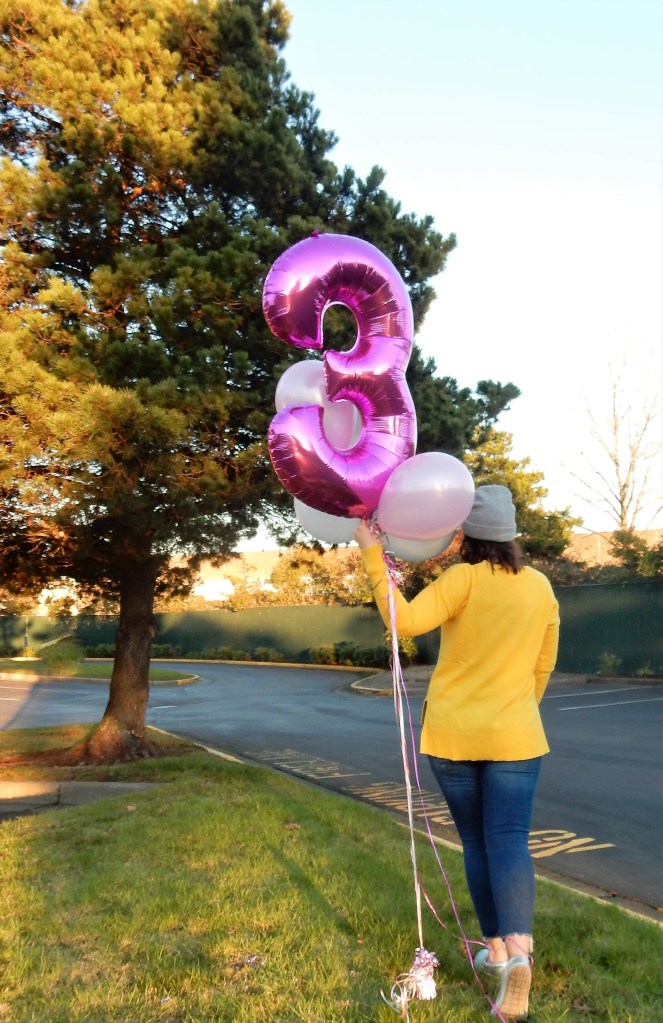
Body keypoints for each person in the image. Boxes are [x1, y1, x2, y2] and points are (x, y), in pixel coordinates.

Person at [355, 484, 559, 1021]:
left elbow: (405, 622)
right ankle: (516, 955)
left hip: (453, 736)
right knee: (510, 841)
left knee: (474, 842)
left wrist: (373, 554)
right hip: (516, 736)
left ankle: (494, 950)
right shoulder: (540, 587)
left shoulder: (462, 578)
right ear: (511, 535)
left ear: (466, 533)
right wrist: (517, 709)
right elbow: (544, 662)